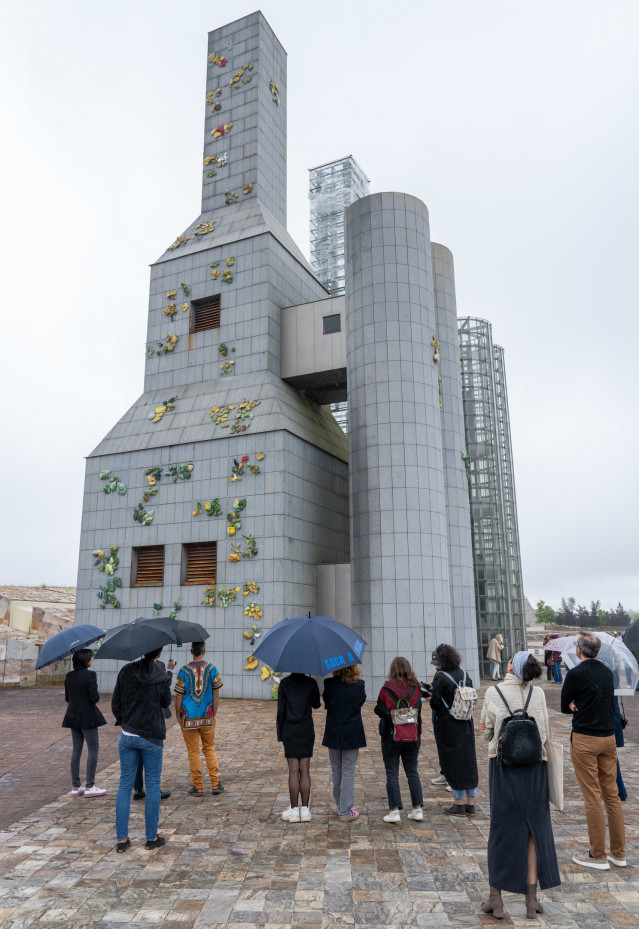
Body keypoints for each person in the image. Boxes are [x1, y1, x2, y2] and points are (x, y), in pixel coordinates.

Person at [480, 651, 560, 920]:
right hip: (535, 767)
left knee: (501, 831)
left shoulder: (494, 692)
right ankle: (531, 901)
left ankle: (496, 899)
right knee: (532, 833)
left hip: (504, 768)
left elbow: (488, 729)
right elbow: (545, 732)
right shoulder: (537, 693)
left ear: (511, 665)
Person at [561, 633, 626, 870]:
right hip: (607, 737)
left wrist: (572, 704)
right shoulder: (607, 672)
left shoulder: (576, 673)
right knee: (612, 795)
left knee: (592, 797)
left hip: (585, 738)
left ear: (579, 650)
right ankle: (618, 853)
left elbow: (564, 705)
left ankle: (597, 854)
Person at [112, 647, 172, 853]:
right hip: (151, 737)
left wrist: (124, 722)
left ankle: (121, 840)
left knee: (124, 786)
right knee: (153, 785)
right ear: (159, 653)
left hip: (128, 736)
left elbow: (115, 703)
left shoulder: (126, 671)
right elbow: (165, 703)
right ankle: (151, 838)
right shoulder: (161, 675)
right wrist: (167, 678)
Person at [429, 644, 478, 816]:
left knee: (452, 761)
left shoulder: (440, 677)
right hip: (466, 722)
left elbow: (435, 703)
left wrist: (430, 694)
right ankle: (470, 804)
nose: (435, 665)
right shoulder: (465, 674)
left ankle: (458, 804)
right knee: (468, 760)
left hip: (447, 724)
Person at [374, 656, 423, 823]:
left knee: (392, 773)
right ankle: (417, 809)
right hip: (413, 735)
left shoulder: (386, 689)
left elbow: (379, 709)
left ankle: (394, 811)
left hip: (391, 736)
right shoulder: (416, 689)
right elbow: (418, 710)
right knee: (412, 772)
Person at [174, 642, 224, 797]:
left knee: (193, 751)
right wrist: (213, 712)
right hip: (207, 715)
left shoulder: (183, 671)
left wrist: (178, 714)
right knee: (209, 748)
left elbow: (179, 696)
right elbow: (216, 694)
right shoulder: (212, 669)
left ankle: (198, 786)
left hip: (188, 717)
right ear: (204, 651)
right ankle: (215, 783)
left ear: (191, 651)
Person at [322, 665, 366, 823]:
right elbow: (360, 703)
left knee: (337, 770)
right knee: (348, 771)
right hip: (352, 733)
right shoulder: (359, 685)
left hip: (334, 732)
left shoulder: (329, 684)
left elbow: (327, 703)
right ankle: (345, 811)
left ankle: (341, 806)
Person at [62, 648, 107, 798]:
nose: (92, 660)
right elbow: (94, 698)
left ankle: (76, 787)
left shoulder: (69, 676)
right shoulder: (90, 675)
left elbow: (68, 698)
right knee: (93, 749)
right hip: (88, 716)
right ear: (86, 660)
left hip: (73, 716)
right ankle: (90, 785)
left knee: (76, 750)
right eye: (91, 658)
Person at [276, 672, 321, 822]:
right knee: (305, 769)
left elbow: (281, 711)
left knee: (293, 770)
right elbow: (316, 704)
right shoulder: (311, 682)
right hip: (306, 728)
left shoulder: (285, 683)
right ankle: (306, 810)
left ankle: (294, 810)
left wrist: (279, 732)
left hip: (290, 728)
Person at [132, 656, 175, 802]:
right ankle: (151, 789)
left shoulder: (135, 667)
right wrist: (170, 670)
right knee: (151, 754)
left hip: (137, 717)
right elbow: (165, 688)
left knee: (140, 755)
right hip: (152, 717)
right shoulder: (160, 666)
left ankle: (139, 788)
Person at [614, 697, 627, 802]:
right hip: (611, 722)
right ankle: (620, 791)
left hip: (606, 725)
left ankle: (620, 791)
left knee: (611, 759)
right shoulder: (614, 679)